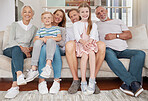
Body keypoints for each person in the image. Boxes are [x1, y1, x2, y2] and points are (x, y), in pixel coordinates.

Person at [95, 6, 146, 97]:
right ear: (97, 16)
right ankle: (134, 83)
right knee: (108, 54)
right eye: (98, 13)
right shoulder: (96, 24)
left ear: (106, 11)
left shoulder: (118, 21)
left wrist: (115, 36)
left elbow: (129, 35)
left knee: (140, 53)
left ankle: (129, 85)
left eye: (102, 11)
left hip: (123, 50)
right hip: (108, 49)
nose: (101, 14)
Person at [66, 8, 106, 94]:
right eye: (71, 16)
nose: (73, 17)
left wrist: (88, 44)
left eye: (74, 15)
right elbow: (70, 42)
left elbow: (94, 37)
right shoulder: (70, 29)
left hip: (90, 45)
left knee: (101, 45)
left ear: (78, 14)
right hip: (77, 48)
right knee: (70, 44)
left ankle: (92, 80)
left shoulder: (92, 24)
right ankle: (77, 80)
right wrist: (83, 43)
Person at [3, 6, 37, 99]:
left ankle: (15, 85)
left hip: (23, 52)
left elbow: (32, 43)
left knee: (16, 57)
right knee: (16, 49)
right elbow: (11, 40)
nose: (27, 14)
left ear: (32, 15)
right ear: (22, 14)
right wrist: (22, 48)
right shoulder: (15, 25)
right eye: (25, 12)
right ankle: (19, 75)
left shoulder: (34, 28)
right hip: (10, 48)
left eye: (29, 12)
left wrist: (29, 49)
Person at [36, 9, 66, 94]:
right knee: (44, 48)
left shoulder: (62, 29)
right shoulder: (43, 28)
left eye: (61, 17)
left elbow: (62, 42)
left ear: (62, 19)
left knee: (54, 46)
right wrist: (48, 40)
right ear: (53, 15)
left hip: (58, 49)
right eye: (57, 15)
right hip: (44, 48)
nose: (58, 17)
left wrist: (49, 39)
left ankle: (57, 80)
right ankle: (41, 81)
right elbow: (37, 40)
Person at [26, 12, 62, 82]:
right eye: (45, 18)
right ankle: (33, 68)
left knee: (50, 41)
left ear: (52, 20)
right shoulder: (40, 30)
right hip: (43, 46)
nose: (47, 19)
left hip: (52, 46)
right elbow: (35, 39)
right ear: (42, 20)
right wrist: (43, 39)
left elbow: (59, 38)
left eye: (49, 18)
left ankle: (48, 65)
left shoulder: (56, 28)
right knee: (37, 42)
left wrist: (49, 38)